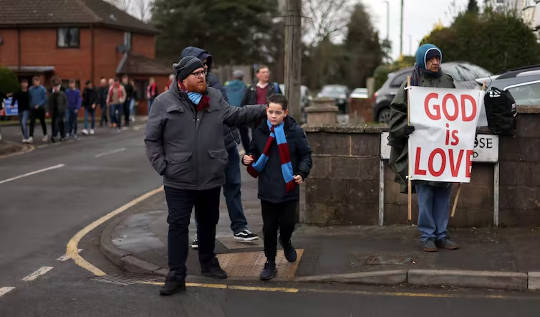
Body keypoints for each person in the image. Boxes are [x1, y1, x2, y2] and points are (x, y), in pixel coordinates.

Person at [145, 56, 267, 296]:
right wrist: (163, 166)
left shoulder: (214, 97)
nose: (202, 76)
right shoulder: (163, 102)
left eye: (203, 72)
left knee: (208, 222)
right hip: (178, 178)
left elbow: (235, 114)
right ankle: (176, 275)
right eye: (197, 73)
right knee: (178, 225)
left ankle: (209, 263)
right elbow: (152, 139)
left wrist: (264, 110)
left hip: (210, 175)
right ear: (183, 79)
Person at [181, 46, 258, 248]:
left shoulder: (212, 81)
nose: (204, 68)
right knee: (204, 192)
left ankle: (240, 227)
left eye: (206, 64)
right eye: (201, 63)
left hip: (226, 144)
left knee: (232, 186)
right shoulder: (180, 89)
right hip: (205, 150)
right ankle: (202, 233)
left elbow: (228, 112)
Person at [388, 43, 459, 252]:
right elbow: (396, 115)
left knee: (444, 194)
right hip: (421, 151)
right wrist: (405, 126)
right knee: (426, 193)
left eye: (438, 58)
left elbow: (458, 111)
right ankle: (428, 235)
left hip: (443, 148)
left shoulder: (447, 81)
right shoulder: (411, 83)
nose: (435, 62)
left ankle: (442, 235)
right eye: (430, 59)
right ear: (422, 61)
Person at [242, 94, 312, 281]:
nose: (273, 116)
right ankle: (270, 262)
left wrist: (302, 173)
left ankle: (286, 241)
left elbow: (306, 155)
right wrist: (246, 158)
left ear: (285, 113)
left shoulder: (295, 131)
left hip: (288, 188)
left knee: (288, 224)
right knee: (270, 228)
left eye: (277, 113)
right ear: (266, 111)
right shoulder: (259, 131)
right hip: (268, 189)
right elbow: (252, 152)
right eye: (270, 112)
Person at [240, 65, 282, 151]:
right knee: (258, 144)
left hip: (271, 121)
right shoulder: (251, 88)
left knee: (271, 144)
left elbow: (282, 102)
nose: (266, 74)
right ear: (257, 74)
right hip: (256, 122)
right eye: (263, 72)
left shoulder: (274, 87)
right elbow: (244, 104)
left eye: (267, 72)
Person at [28, 76, 48, 143]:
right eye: (34, 82)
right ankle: (31, 137)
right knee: (32, 122)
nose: (35, 83)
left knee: (42, 122)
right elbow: (29, 98)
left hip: (41, 108)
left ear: (39, 82)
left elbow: (45, 99)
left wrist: (38, 105)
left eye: (36, 81)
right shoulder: (30, 89)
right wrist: (30, 105)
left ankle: (45, 135)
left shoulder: (43, 89)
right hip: (33, 109)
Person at [48, 77, 67, 143]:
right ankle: (54, 135)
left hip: (61, 112)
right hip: (54, 112)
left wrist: (64, 110)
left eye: (57, 87)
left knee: (61, 124)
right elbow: (49, 104)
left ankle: (62, 136)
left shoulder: (62, 94)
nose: (56, 88)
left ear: (59, 87)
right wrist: (48, 111)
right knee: (54, 124)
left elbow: (65, 103)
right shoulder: (51, 95)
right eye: (54, 87)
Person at [12, 79, 31, 143]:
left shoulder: (29, 92)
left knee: (23, 122)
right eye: (23, 83)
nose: (24, 84)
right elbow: (14, 98)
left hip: (27, 110)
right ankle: (24, 135)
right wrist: (12, 104)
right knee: (22, 124)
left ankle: (26, 137)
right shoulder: (18, 92)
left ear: (27, 84)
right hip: (20, 110)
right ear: (21, 84)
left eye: (25, 83)